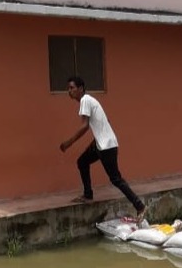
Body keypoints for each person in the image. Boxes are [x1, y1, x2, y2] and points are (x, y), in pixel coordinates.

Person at [59, 76, 147, 222]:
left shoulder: (85, 100)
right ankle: (88, 194)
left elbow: (85, 126)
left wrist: (69, 143)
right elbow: (103, 123)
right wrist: (95, 143)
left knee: (115, 179)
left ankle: (140, 206)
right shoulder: (89, 101)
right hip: (102, 144)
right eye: (68, 88)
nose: (69, 91)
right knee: (82, 162)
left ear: (80, 88)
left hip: (107, 146)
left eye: (72, 88)